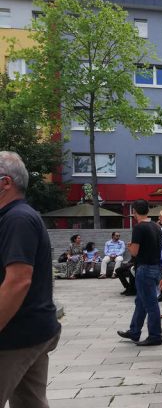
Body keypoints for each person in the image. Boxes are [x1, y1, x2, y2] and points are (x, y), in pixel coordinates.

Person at [0, 151, 61, 408]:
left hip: (16, 335)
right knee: (30, 403)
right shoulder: (17, 217)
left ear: (5, 182)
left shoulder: (17, 219)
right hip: (32, 329)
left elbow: (18, 281)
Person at [118, 199, 162, 346]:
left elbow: (135, 252)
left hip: (144, 268)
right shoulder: (156, 227)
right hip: (156, 267)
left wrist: (130, 246)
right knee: (141, 301)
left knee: (150, 304)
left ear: (135, 212)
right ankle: (134, 331)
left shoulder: (139, 228)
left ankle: (155, 336)